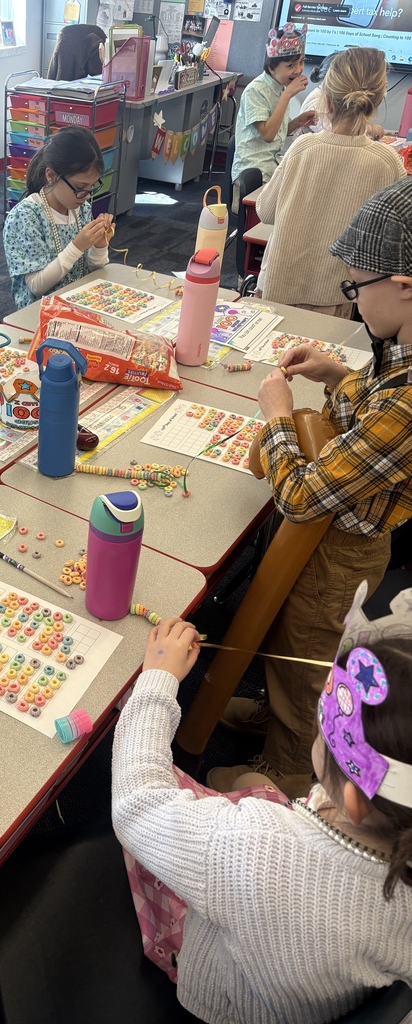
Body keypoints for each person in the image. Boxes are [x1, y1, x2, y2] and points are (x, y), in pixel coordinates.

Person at [112, 587, 412, 1024]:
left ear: (355, 801)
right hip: (313, 978)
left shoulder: (253, 846)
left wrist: (158, 680)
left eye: (324, 734)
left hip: (227, 998)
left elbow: (136, 804)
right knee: (255, 783)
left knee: (155, 819)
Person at [212, 175, 412, 796]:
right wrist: (337, 376)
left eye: (356, 288)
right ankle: (276, 714)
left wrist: (277, 415)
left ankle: (289, 768)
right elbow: (369, 411)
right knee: (283, 637)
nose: (353, 301)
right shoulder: (400, 352)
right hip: (330, 541)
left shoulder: (410, 405)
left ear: (404, 285)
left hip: (339, 554)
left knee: (305, 658)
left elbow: (299, 496)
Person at [255, 47, 403, 316]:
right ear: (377, 101)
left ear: (327, 102)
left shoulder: (303, 147)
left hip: (278, 285)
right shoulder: (387, 162)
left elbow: (265, 211)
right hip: (336, 294)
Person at [3, 126, 113, 309]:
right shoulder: (26, 216)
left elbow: (93, 272)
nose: (87, 195)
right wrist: (77, 246)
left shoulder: (80, 207)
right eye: (80, 187)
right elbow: (36, 286)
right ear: (51, 175)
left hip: (78, 304)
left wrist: (99, 246)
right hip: (39, 313)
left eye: (92, 186)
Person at [230, 24, 317, 207]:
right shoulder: (256, 90)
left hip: (272, 170)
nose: (298, 70)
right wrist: (287, 95)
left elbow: (277, 131)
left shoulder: (280, 88)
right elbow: (268, 135)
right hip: (252, 172)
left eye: (301, 62)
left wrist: (298, 122)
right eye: (290, 65)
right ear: (272, 68)